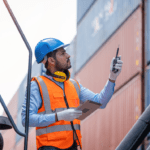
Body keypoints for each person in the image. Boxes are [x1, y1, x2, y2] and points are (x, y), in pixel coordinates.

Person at [21, 38, 123, 150]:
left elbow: (100, 102)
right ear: (51, 60)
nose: (68, 55)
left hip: (73, 146)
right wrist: (58, 116)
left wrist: (112, 77)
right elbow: (26, 120)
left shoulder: (74, 85)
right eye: (62, 53)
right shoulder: (37, 85)